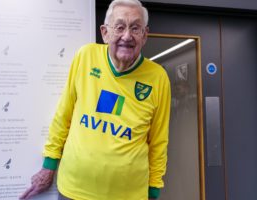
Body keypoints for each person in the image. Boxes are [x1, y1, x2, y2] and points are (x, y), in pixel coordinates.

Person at [20, 0, 171, 199]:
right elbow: (64, 115)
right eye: (119, 27)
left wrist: (153, 191)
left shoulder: (158, 77)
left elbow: (159, 141)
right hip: (74, 190)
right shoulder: (86, 56)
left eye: (135, 28)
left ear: (145, 35)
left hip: (128, 194)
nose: (127, 36)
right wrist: (49, 165)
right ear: (105, 32)